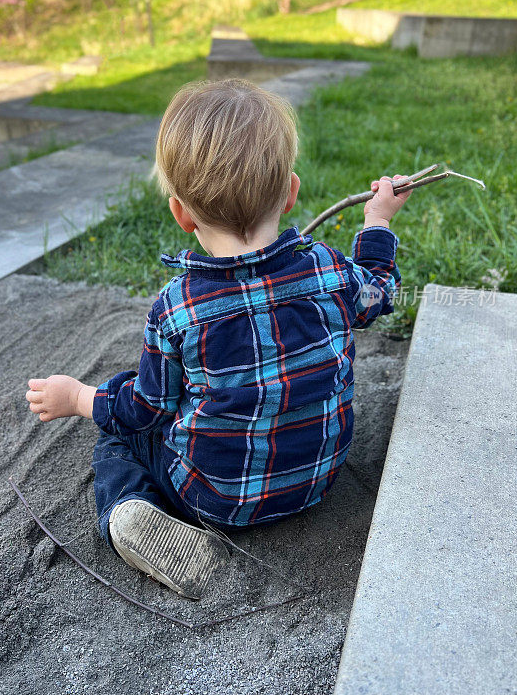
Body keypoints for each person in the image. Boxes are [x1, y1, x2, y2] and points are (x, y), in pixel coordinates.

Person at [25, 78, 411, 599]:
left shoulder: (180, 306)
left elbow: (146, 410)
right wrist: (377, 220)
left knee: (118, 431)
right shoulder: (329, 272)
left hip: (212, 495)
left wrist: (77, 398)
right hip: (318, 480)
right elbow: (380, 291)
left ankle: (128, 510)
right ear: (292, 193)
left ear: (181, 213)